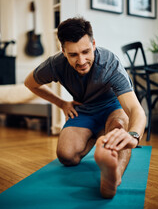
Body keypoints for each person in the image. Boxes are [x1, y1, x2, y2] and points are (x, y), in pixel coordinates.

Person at [24, 17, 146, 198]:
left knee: (120, 128)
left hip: (112, 107)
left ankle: (113, 179)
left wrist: (133, 136)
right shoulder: (55, 64)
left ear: (94, 44)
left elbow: (136, 109)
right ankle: (100, 136)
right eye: (73, 55)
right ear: (63, 51)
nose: (81, 60)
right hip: (85, 109)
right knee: (66, 156)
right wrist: (62, 103)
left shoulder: (110, 64)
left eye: (86, 51)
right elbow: (30, 83)